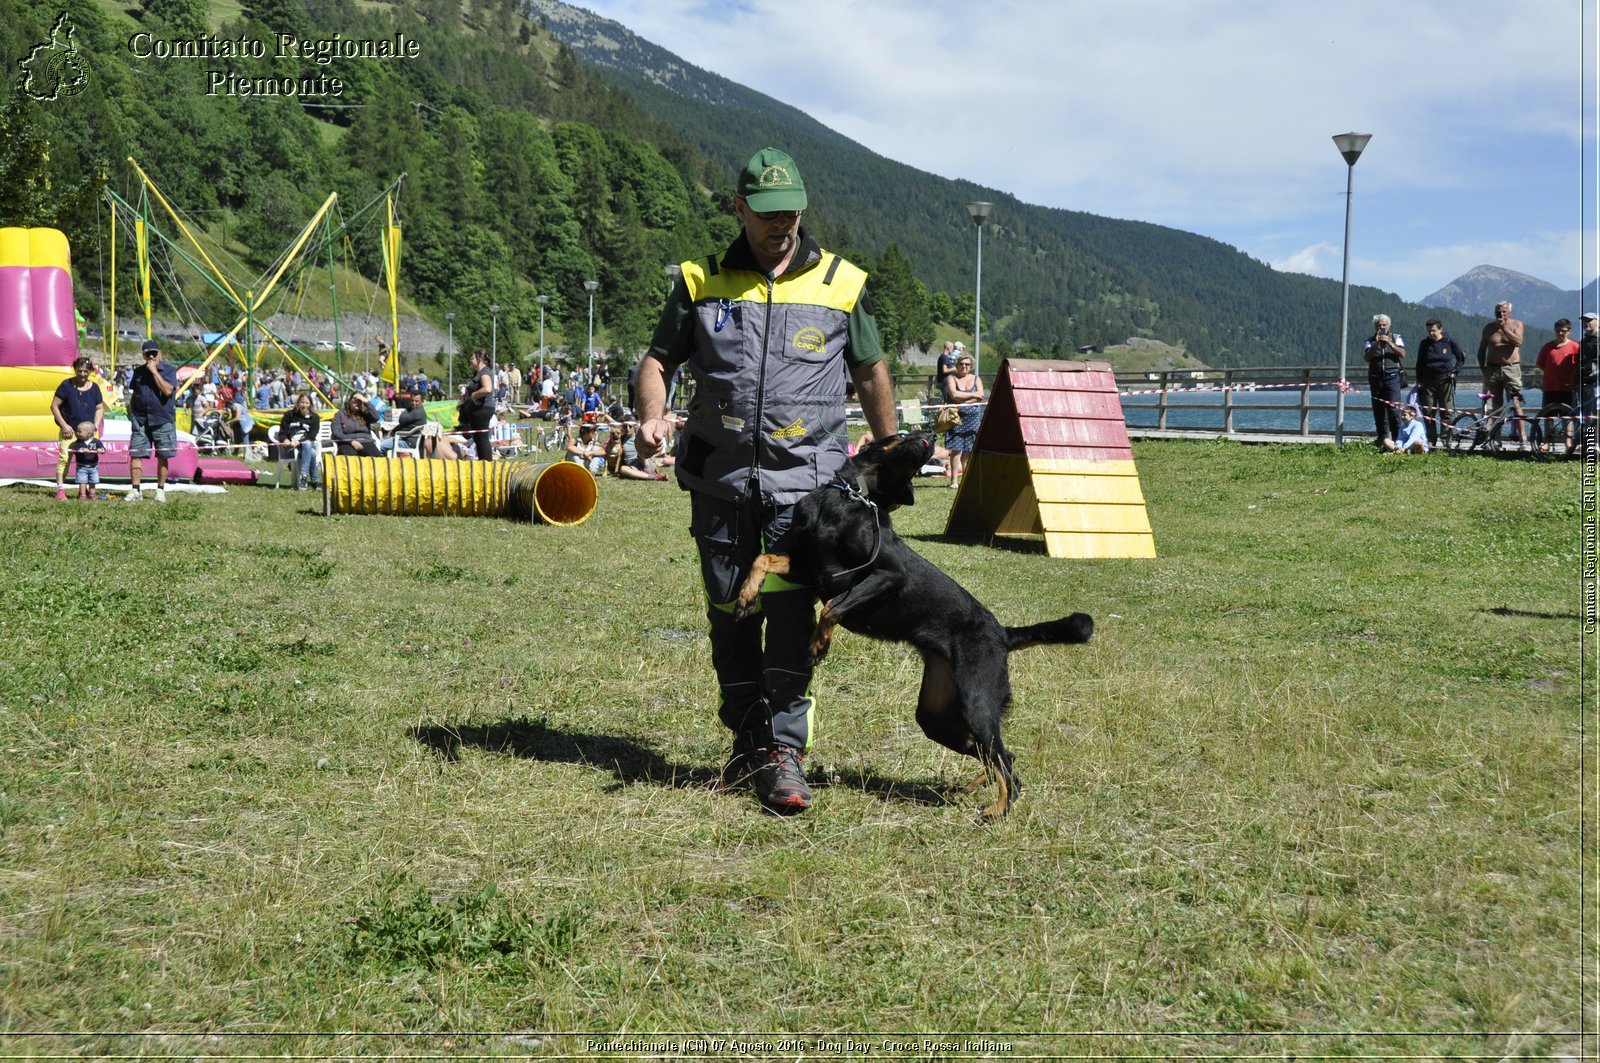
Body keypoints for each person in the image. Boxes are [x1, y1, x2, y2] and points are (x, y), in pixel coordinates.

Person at [634, 146, 898, 815]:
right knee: (730, 611)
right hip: (720, 483)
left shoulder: (842, 283)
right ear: (740, 207)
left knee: (787, 615)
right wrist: (653, 416)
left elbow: (870, 371)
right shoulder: (700, 282)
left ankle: (785, 752)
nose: (782, 225)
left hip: (805, 492)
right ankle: (746, 736)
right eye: (768, 213)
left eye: (792, 212)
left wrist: (889, 447)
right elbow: (658, 360)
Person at [126, 339, 179, 502]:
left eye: (154, 353)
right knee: (136, 454)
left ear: (160, 354)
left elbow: (168, 391)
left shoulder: (169, 370)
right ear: (143, 355)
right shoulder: (138, 372)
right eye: (148, 354)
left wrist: (155, 372)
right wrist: (132, 412)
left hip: (162, 419)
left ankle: (160, 490)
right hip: (141, 419)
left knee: (163, 455)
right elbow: (135, 394)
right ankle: (136, 490)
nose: (151, 357)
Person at [50, 356, 105, 501]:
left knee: (88, 459)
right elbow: (54, 406)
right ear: (75, 370)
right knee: (64, 459)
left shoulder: (94, 388)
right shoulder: (66, 385)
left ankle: (87, 491)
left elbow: (100, 408)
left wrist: (94, 426)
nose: (82, 374)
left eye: (86, 371)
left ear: (90, 371)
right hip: (69, 432)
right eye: (79, 371)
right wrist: (64, 425)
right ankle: (60, 489)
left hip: (89, 435)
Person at [1413, 318, 1466, 447]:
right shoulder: (1424, 344)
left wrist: (1455, 372)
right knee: (1428, 412)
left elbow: (1461, 358)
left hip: (1446, 381)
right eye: (1429, 331)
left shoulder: (1449, 341)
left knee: (1447, 411)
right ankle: (1431, 439)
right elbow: (1419, 364)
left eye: (1434, 331)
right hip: (1428, 382)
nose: (1431, 333)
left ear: (1440, 329)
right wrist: (1419, 381)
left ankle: (1446, 438)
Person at [1477, 300, 1526, 434]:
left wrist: (1504, 328)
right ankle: (1496, 438)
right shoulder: (1488, 328)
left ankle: (1523, 437)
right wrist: (1484, 369)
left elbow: (1518, 342)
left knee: (1515, 403)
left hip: (1511, 369)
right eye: (1498, 312)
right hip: (1493, 369)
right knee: (1496, 405)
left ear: (1509, 313)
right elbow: (1481, 350)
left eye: (1504, 311)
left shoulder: (1517, 324)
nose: (1501, 314)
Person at [1535, 319, 1579, 454]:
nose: (1560, 333)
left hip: (1568, 388)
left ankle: (1568, 443)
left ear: (1569, 331)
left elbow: (1578, 366)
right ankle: (1547, 442)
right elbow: (1541, 364)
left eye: (1563, 331)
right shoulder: (1547, 347)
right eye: (1558, 331)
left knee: (1568, 417)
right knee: (1548, 417)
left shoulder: (1575, 347)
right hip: (1550, 387)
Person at [1363, 314, 1407, 448]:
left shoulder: (1396, 337)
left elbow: (1403, 354)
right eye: (1378, 325)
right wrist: (1376, 343)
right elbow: (1367, 357)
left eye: (1384, 325)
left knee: (1394, 410)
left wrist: (1389, 343)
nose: (1381, 327)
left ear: (1389, 325)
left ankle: (1397, 439)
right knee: (1379, 411)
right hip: (1376, 379)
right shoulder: (1370, 341)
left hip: (1392, 378)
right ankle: (1382, 439)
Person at [942, 352, 984, 486]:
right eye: (961, 364)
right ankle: (954, 481)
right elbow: (954, 395)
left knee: (968, 450)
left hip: (973, 418)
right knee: (955, 449)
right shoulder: (951, 378)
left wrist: (963, 399)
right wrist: (973, 396)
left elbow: (981, 395)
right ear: (957, 365)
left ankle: (966, 480)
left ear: (971, 366)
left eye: (967, 364)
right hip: (955, 417)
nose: (964, 366)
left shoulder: (976, 378)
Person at [456, 348, 496, 461]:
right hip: (478, 410)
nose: (470, 360)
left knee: (482, 439)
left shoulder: (484, 373)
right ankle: (483, 463)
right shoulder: (480, 373)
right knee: (479, 439)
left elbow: (487, 389)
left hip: (482, 409)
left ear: (480, 359)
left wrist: (473, 395)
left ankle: (487, 465)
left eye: (472, 358)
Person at [279, 393, 322, 489]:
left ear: (310, 404)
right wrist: (285, 439)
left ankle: (303, 477)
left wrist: (299, 441)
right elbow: (282, 433)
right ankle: (315, 481)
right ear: (298, 403)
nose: (304, 405)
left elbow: (312, 436)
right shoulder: (289, 415)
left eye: (307, 403)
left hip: (306, 444)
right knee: (313, 453)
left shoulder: (315, 418)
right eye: (302, 402)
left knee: (308, 445)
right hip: (291, 447)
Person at [68, 421, 106, 499]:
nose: (77, 433)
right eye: (77, 431)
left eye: (79, 432)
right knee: (82, 481)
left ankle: (92, 494)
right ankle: (82, 495)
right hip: (82, 467)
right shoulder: (78, 443)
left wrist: (100, 449)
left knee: (93, 481)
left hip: (93, 467)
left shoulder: (96, 442)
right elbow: (75, 450)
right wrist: (81, 449)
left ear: (89, 433)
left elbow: (103, 449)